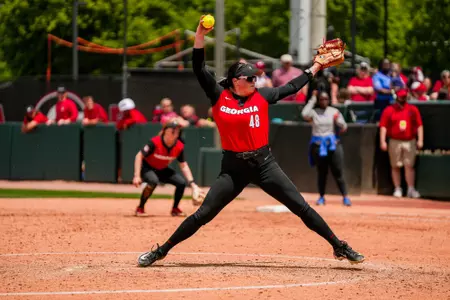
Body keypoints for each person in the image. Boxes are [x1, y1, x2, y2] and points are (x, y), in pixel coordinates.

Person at [137, 16, 365, 267]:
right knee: (203, 214)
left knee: (301, 207)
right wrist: (200, 34)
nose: (255, 80)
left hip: (265, 164)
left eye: (256, 77)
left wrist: (315, 67)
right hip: (233, 169)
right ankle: (161, 251)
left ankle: (339, 246)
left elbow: (291, 87)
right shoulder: (219, 96)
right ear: (236, 81)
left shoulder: (263, 96)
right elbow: (199, 67)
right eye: (250, 78)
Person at [133, 121, 205, 217]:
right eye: (172, 130)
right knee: (153, 181)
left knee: (181, 183)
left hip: (162, 169)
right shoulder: (155, 142)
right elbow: (139, 155)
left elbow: (184, 165)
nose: (175, 133)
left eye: (177, 131)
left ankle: (175, 209)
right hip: (147, 168)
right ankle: (140, 208)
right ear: (164, 131)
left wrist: (192, 184)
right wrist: (137, 176)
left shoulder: (179, 146)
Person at [302, 92, 351, 206]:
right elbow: (304, 114)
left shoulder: (334, 111)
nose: (324, 101)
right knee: (322, 172)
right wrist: (313, 98)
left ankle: (345, 197)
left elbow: (344, 126)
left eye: (326, 99)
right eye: (321, 99)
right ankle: (321, 197)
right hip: (319, 145)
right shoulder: (314, 112)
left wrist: (339, 123)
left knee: (338, 172)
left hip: (333, 145)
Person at [379, 89, 423, 198]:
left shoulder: (413, 109)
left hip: (410, 140)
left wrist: (420, 140)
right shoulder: (389, 110)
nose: (403, 98)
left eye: (404, 96)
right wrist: (382, 141)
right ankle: (397, 188)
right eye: (401, 97)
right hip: (394, 140)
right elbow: (383, 126)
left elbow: (419, 125)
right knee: (395, 165)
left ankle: (411, 189)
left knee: (409, 165)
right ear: (396, 97)